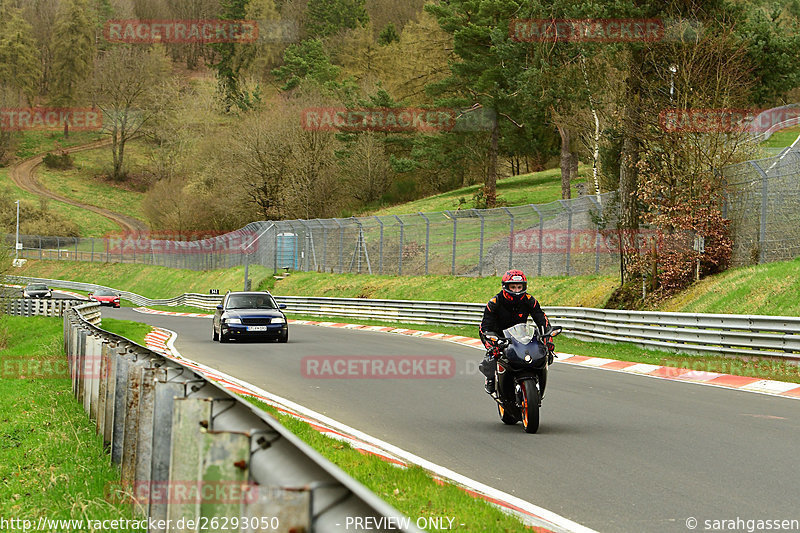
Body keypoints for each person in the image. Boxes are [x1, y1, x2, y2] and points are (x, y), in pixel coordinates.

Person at [478, 269, 554, 394]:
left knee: (544, 354)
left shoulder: (529, 300)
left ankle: (537, 383)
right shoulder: (495, 303)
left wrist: (547, 339)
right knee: (490, 359)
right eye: (512, 287)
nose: (516, 290)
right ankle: (490, 378)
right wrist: (491, 344)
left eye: (519, 287)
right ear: (505, 287)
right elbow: (484, 327)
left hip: (520, 334)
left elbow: (542, 320)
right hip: (498, 336)